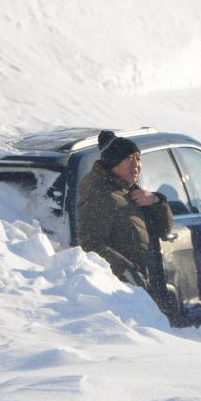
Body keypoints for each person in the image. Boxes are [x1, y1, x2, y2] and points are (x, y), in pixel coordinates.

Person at [77, 131, 178, 314]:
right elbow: (90, 244)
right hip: (123, 297)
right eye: (129, 159)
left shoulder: (130, 193)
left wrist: (156, 200)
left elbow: (165, 229)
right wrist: (128, 272)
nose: (136, 165)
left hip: (147, 289)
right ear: (114, 162)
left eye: (138, 159)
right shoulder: (101, 196)